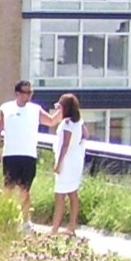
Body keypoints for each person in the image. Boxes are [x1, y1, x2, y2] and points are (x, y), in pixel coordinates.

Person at [0, 80, 61, 229]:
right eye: (25, 92)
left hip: (28, 155)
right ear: (17, 93)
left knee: (25, 189)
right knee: (8, 187)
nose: (28, 95)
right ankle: (5, 217)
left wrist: (62, 110)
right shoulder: (6, 108)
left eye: (30, 92)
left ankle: (25, 220)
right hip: (10, 154)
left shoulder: (35, 109)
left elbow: (51, 121)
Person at [51, 93, 87, 236]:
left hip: (66, 162)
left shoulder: (67, 124)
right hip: (76, 160)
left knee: (59, 195)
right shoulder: (79, 121)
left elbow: (64, 145)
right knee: (73, 193)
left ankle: (55, 228)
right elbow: (86, 135)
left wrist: (58, 164)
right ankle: (71, 226)